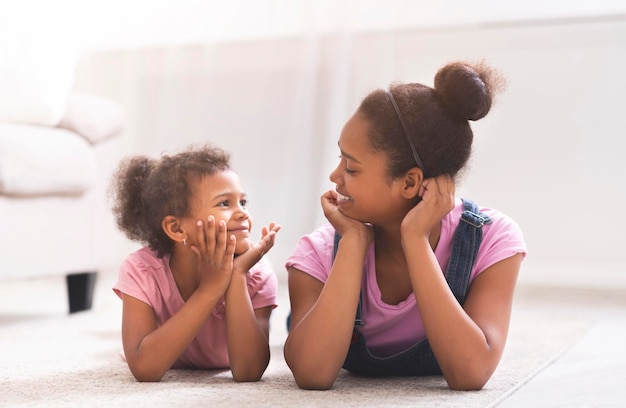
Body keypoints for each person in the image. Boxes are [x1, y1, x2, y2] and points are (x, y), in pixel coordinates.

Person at [283, 60, 527, 390]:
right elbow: (313, 373)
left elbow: (471, 373)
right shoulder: (318, 253)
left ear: (410, 183)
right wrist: (353, 243)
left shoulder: (492, 239)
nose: (334, 176)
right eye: (340, 159)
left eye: (351, 168)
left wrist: (415, 238)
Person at [110, 144, 280, 382]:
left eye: (242, 202)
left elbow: (249, 372)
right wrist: (210, 289)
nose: (242, 213)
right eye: (224, 204)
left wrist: (237, 275)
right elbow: (144, 369)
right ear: (177, 228)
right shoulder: (141, 270)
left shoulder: (256, 272)